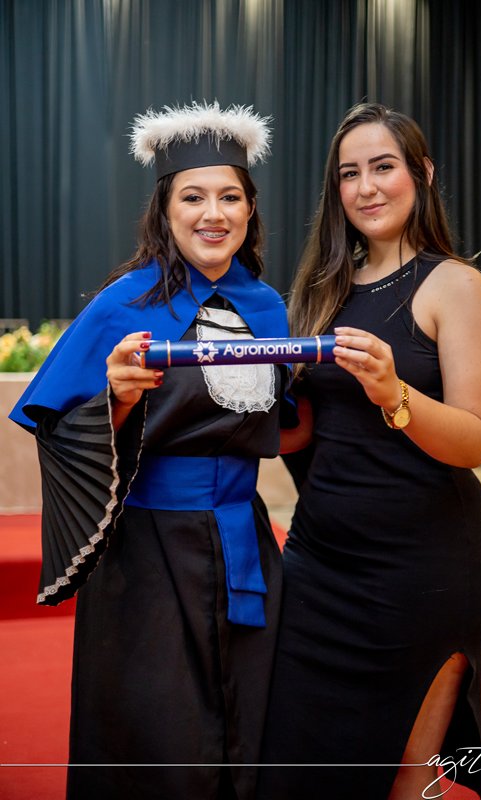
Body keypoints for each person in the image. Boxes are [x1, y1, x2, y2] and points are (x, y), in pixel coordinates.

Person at [10, 101, 294, 800]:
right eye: (192, 197)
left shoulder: (268, 307)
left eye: (230, 196)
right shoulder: (123, 305)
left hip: (244, 543)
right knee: (157, 738)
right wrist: (116, 397)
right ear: (164, 209)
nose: (213, 213)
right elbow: (54, 423)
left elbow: (287, 424)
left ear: (251, 210)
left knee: (250, 720)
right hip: (145, 553)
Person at [257, 102, 481, 800]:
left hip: (421, 574)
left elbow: (475, 439)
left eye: (383, 167)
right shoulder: (321, 292)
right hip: (318, 567)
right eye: (349, 173)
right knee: (291, 768)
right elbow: (306, 433)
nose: (365, 187)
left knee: (403, 779)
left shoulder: (455, 285)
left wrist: (394, 393)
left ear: (422, 174)